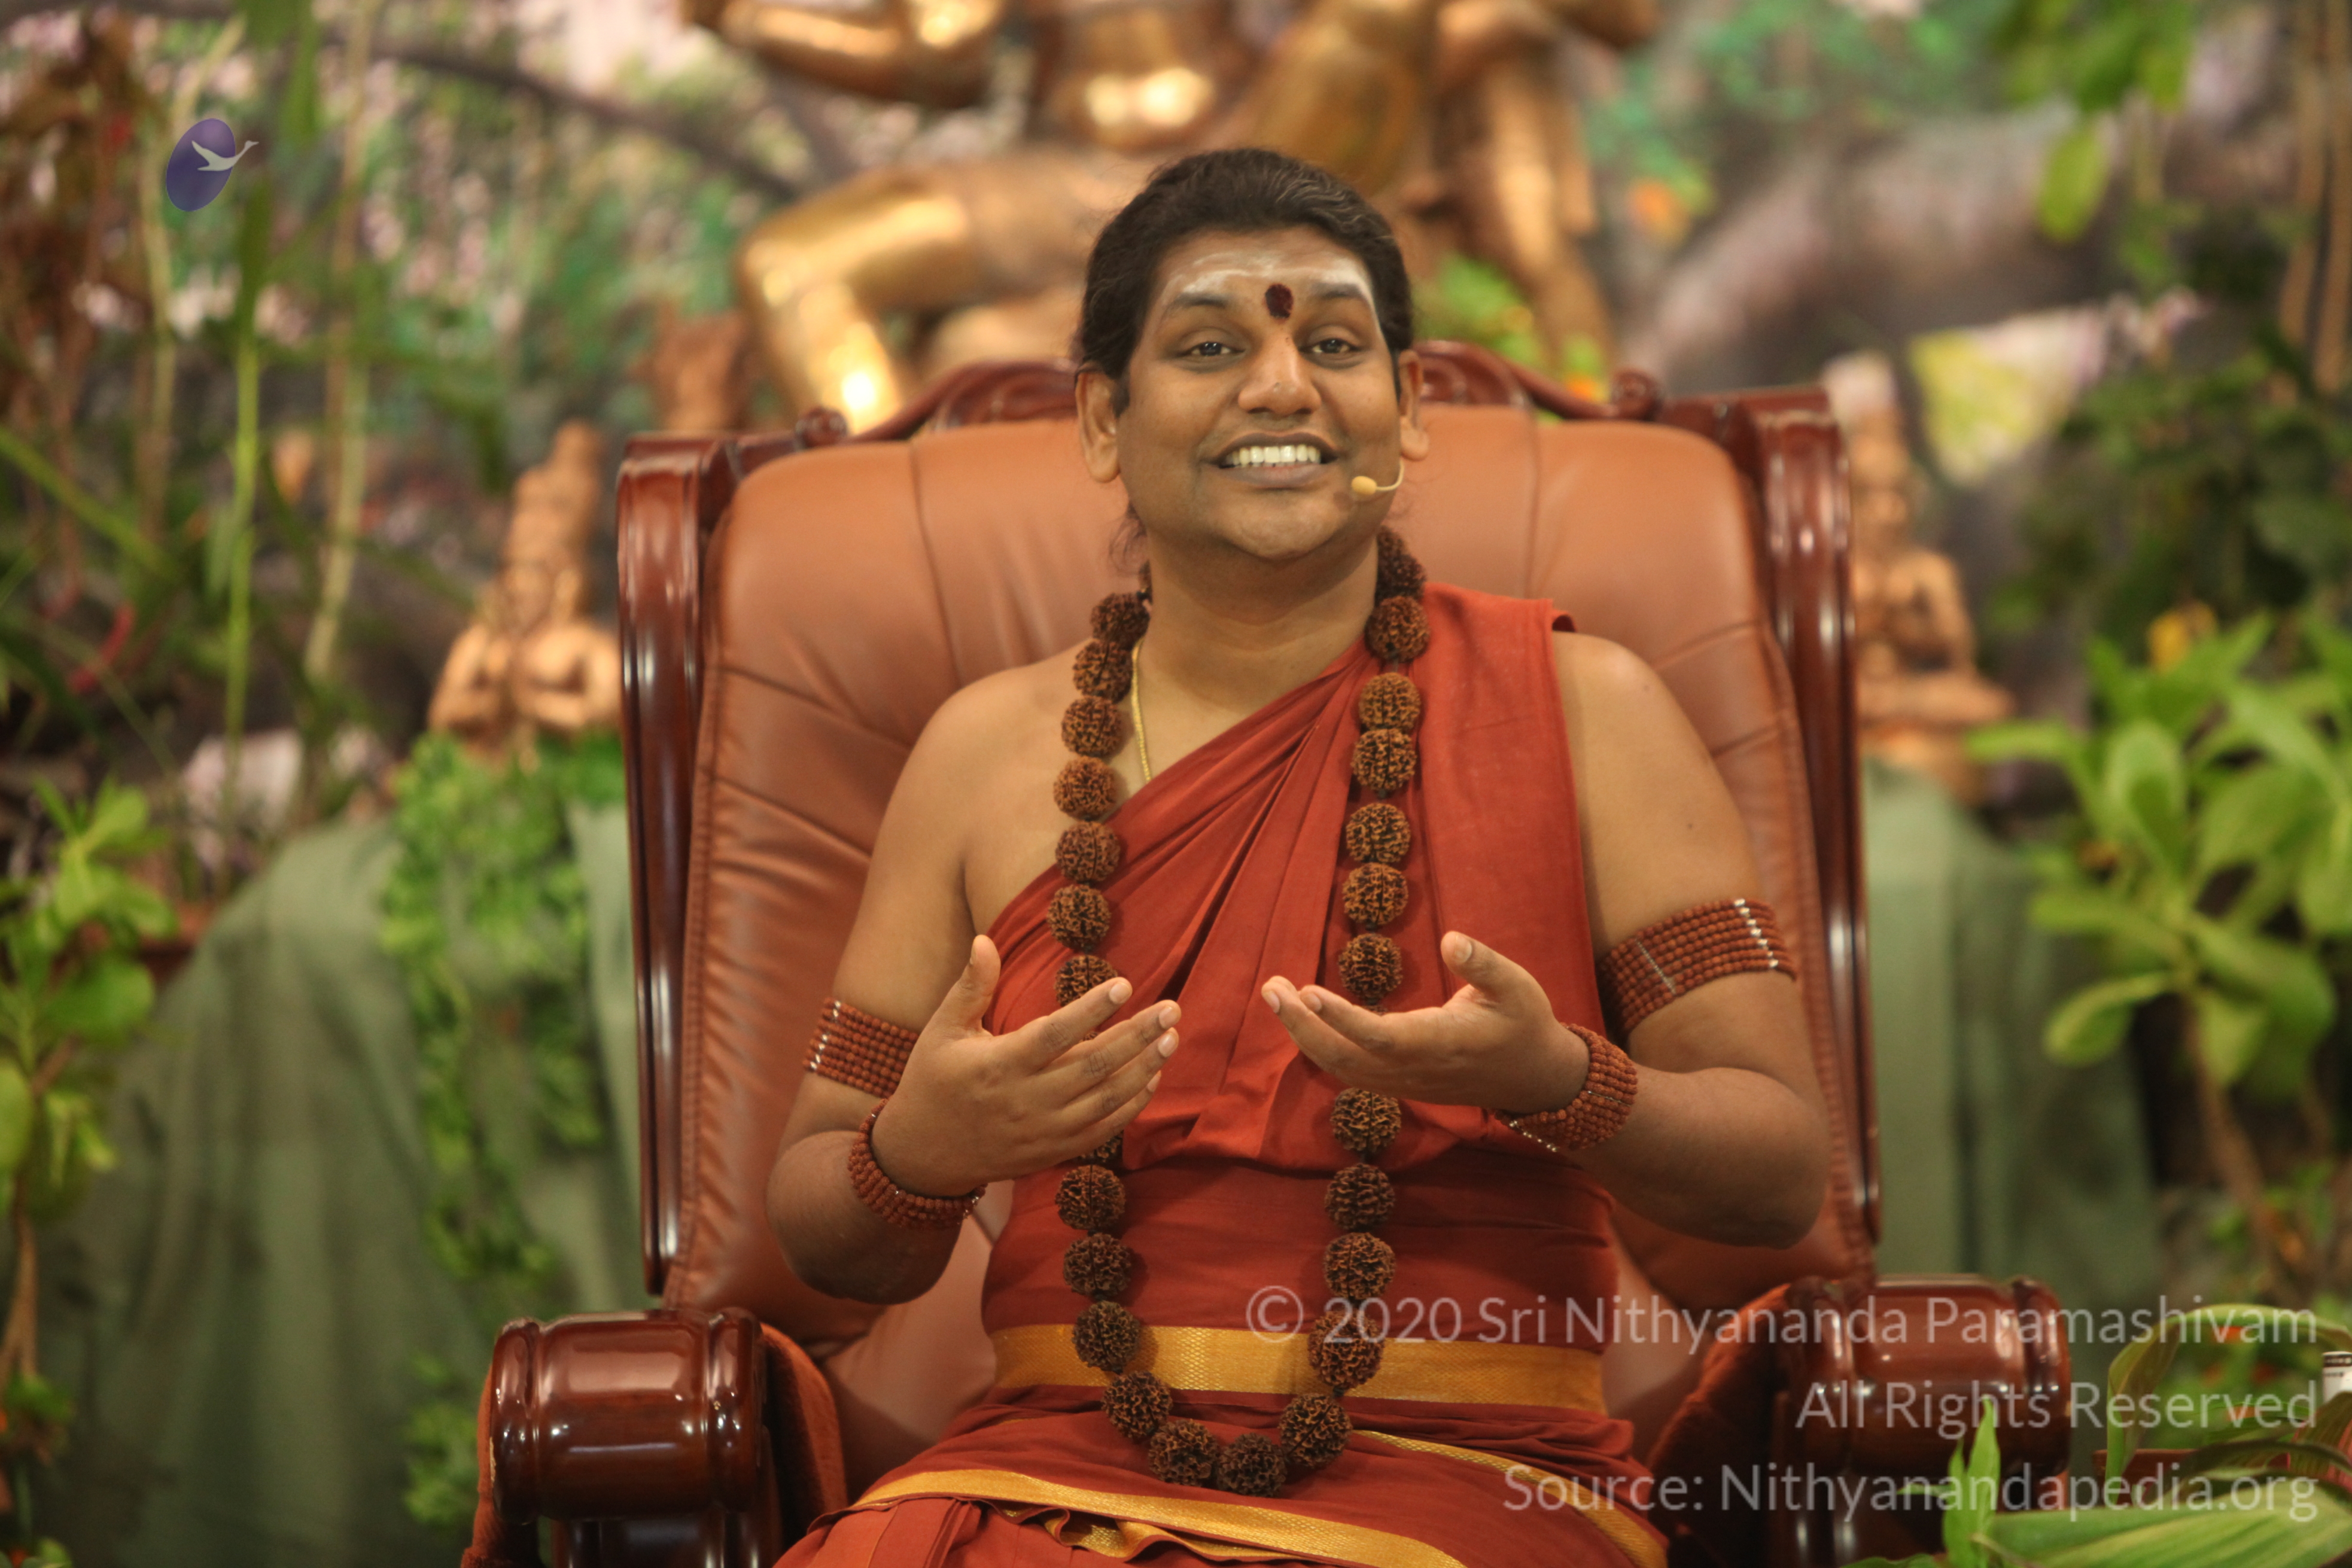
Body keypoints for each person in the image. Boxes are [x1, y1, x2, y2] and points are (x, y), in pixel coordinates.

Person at [768, 147, 1829, 1566]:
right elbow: (817, 1218)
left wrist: (1562, 1084)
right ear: (1102, 420)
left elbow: (1778, 1172)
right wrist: (922, 1152)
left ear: (1411, 405)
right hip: (1044, 1481)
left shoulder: (1592, 714)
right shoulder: (982, 756)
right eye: (1210, 347)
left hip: (1476, 1481)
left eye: (1332, 345)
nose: (1281, 389)